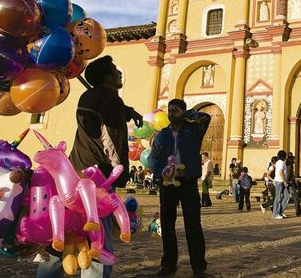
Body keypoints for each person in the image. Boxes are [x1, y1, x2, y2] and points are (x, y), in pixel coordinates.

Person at [37, 55, 142, 278]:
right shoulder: (110, 101)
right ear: (107, 76)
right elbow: (111, 141)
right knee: (97, 238)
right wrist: (120, 173)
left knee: (65, 232)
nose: (119, 73)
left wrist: (127, 111)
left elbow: (100, 119)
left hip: (72, 172)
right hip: (97, 178)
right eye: (115, 70)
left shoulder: (89, 96)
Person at [148, 99, 211, 276]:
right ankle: (168, 262)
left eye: (175, 110)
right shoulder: (162, 135)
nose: (170, 114)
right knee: (167, 224)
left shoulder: (194, 131)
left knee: (193, 224)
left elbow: (205, 117)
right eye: (169, 111)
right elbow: (153, 159)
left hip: (188, 182)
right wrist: (162, 171)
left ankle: (199, 266)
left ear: (183, 112)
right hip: (167, 183)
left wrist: (186, 114)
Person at [272, 150, 288, 219]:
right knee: (278, 197)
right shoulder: (281, 163)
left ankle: (280, 211)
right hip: (279, 181)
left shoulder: (280, 162)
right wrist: (284, 181)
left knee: (286, 196)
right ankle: (275, 214)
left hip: (281, 181)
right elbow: (281, 172)